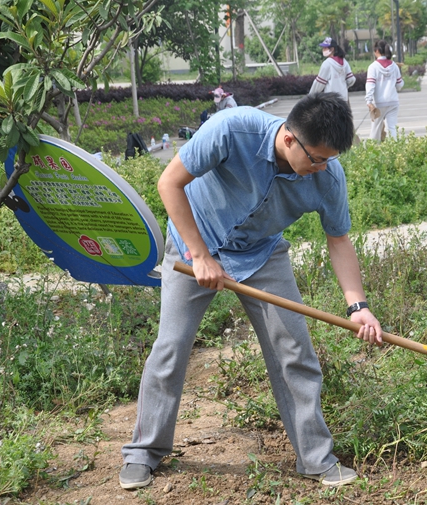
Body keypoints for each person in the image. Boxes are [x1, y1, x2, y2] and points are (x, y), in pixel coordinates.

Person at [119, 93, 384, 491]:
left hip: (261, 255)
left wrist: (357, 306)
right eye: (316, 158)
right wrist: (201, 255)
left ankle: (314, 458)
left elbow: (339, 240)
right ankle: (144, 451)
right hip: (195, 242)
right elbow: (169, 182)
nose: (321, 168)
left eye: (330, 159)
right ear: (290, 139)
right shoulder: (232, 129)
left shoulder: (328, 176)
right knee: (171, 346)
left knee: (295, 350)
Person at [365, 40, 403, 141]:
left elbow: (370, 85)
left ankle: (372, 152)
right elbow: (399, 85)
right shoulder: (394, 66)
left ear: (377, 51)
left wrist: (368, 101)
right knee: (392, 128)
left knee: (375, 130)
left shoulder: (373, 67)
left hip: (379, 103)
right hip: (393, 102)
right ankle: (395, 151)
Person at [309, 37, 355, 102]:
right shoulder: (344, 62)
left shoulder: (327, 64)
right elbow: (351, 79)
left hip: (331, 101)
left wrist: (310, 97)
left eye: (325, 48)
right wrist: (343, 87)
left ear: (332, 49)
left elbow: (319, 83)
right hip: (344, 99)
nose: (323, 50)